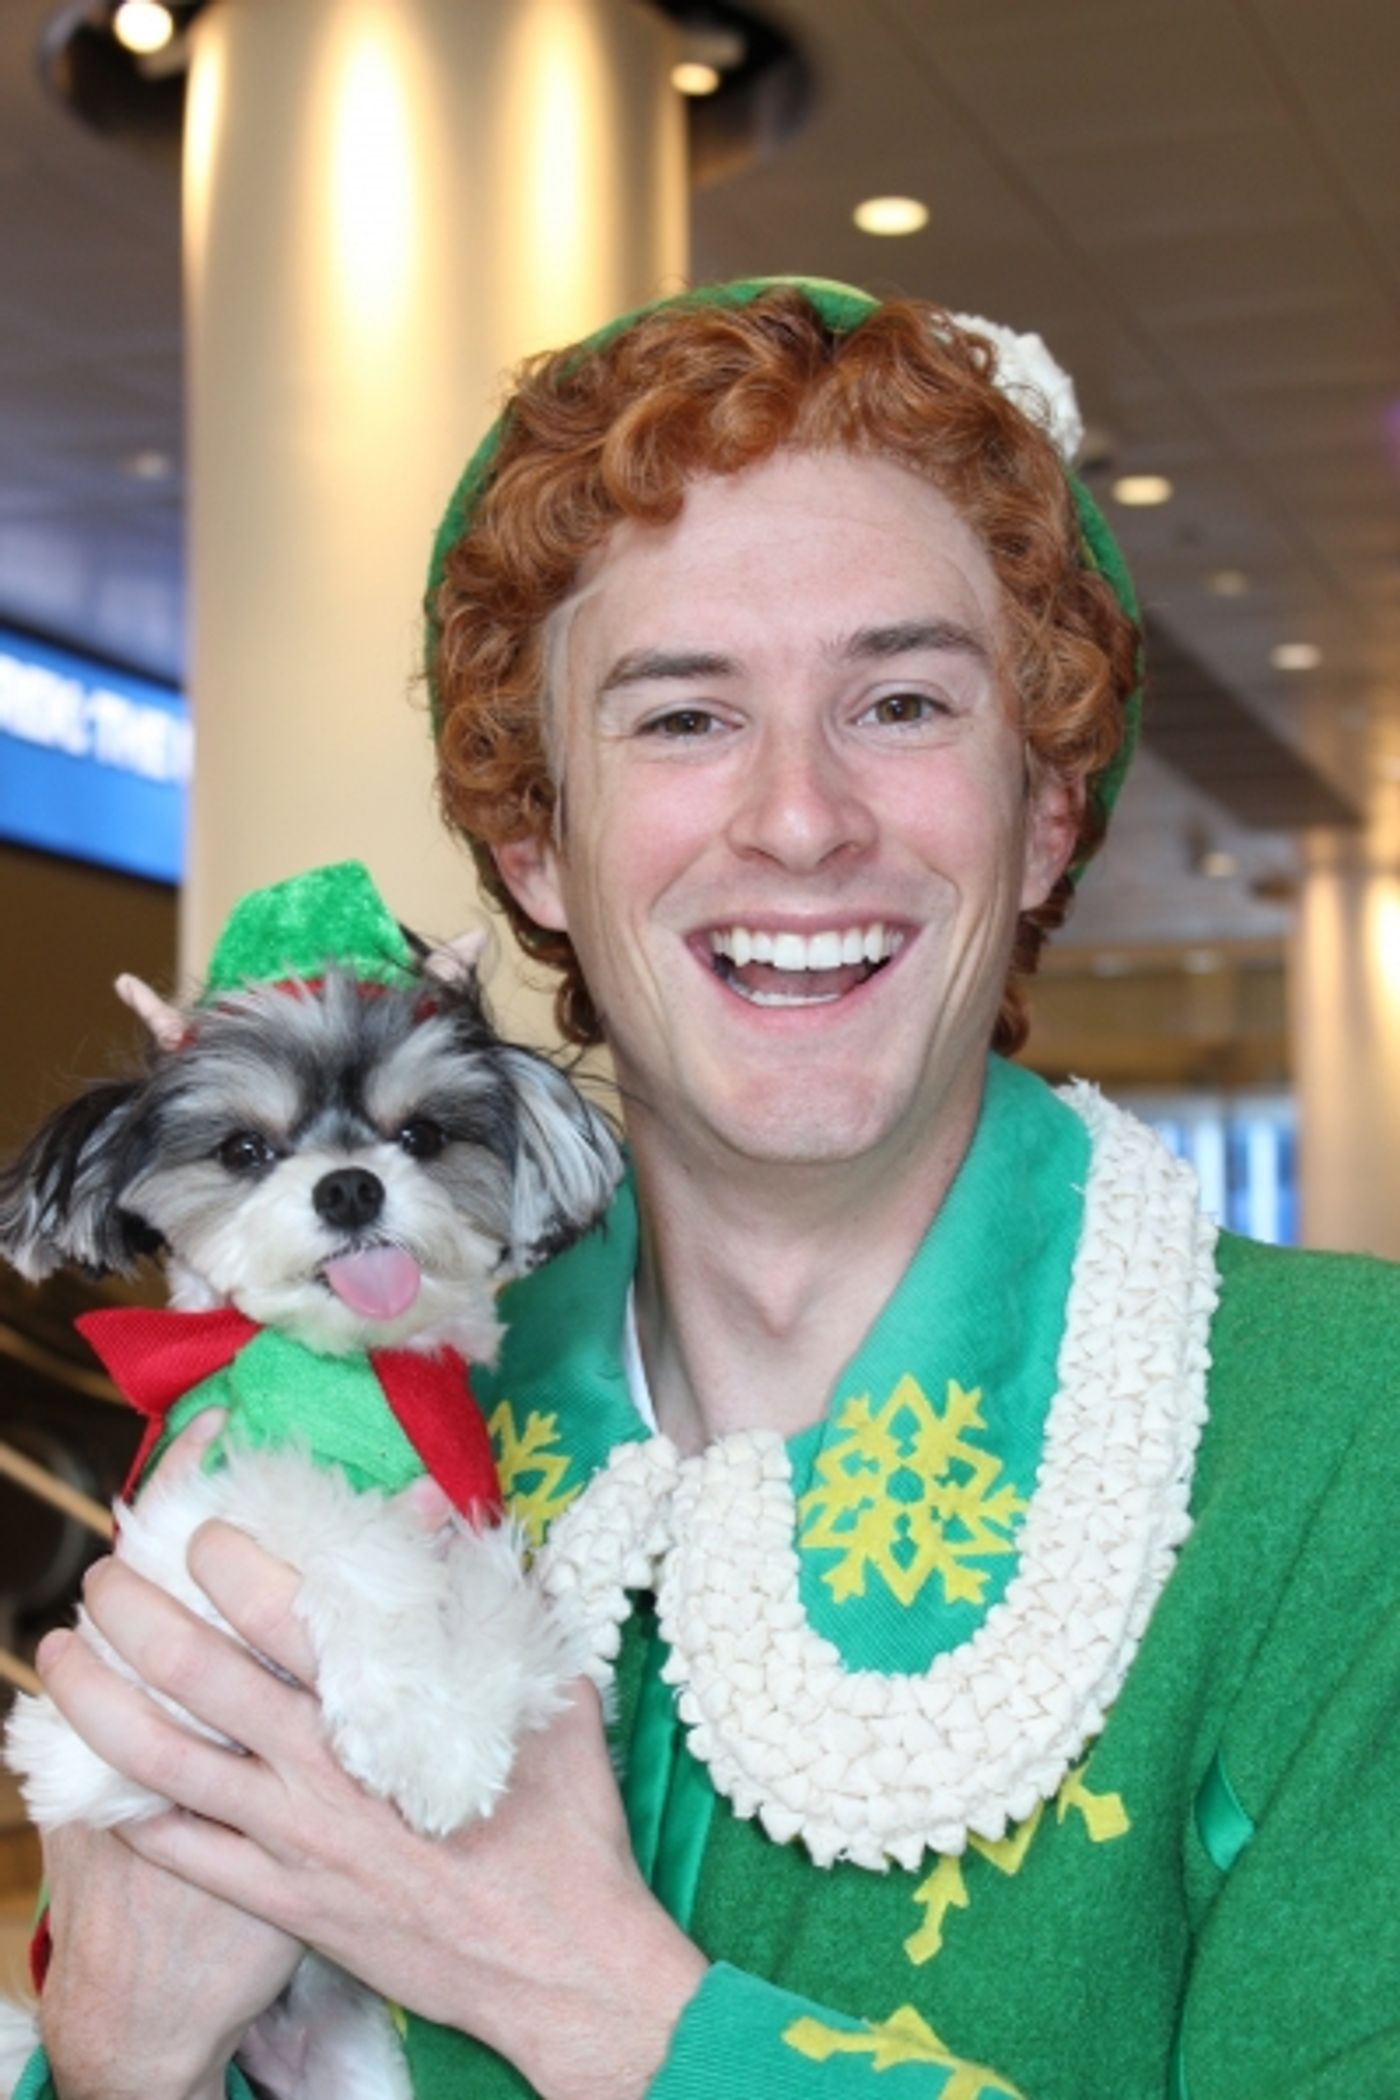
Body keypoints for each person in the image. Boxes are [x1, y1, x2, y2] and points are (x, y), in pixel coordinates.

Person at [18, 280, 1399, 2100]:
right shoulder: (332, 1432)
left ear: (1046, 807)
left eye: (899, 701)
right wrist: (122, 2051)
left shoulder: (1344, 1435)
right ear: (537, 843)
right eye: (681, 719)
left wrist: (591, 1998)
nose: (802, 818)